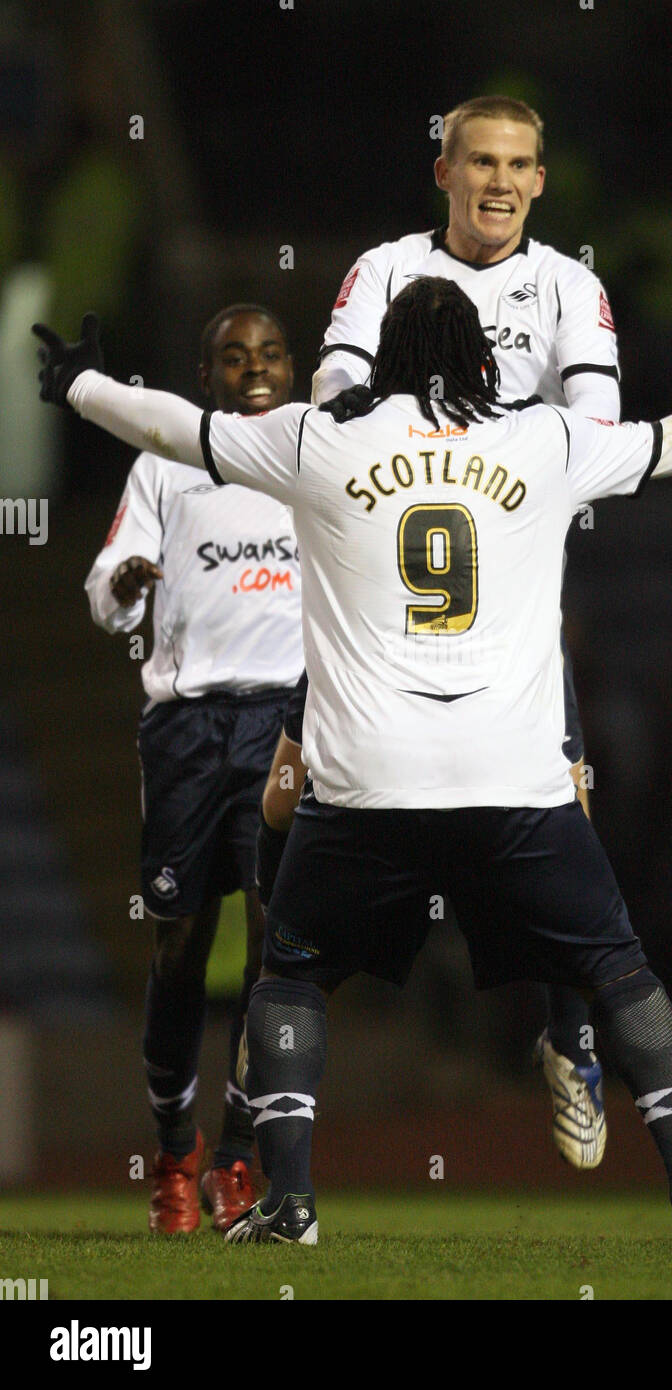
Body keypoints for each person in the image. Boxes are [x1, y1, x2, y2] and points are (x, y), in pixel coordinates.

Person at [34, 279, 672, 1247]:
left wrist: (80, 385)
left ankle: (286, 1203)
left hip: (367, 777)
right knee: (618, 968)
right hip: (512, 778)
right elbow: (670, 442)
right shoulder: (543, 440)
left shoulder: (316, 440)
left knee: (288, 975)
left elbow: (176, 429)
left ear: (381, 359)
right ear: (486, 360)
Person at [262, 94, 623, 1171]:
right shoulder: (380, 272)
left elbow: (595, 436)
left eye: (518, 164)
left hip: (500, 589)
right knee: (287, 786)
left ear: (540, 180)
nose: (499, 182)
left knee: (566, 800)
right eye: (479, 161)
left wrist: (472, 450)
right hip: (380, 580)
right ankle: (273, 1024)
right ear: (444, 171)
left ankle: (570, 1040)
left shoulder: (569, 286)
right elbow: (332, 397)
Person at [83, 305, 304, 1233]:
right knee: (178, 945)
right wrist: (125, 585)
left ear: (292, 370)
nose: (254, 369)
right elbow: (105, 587)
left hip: (286, 726)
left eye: (269, 355)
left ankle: (239, 1160)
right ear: (203, 375)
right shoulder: (165, 465)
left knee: (270, 948)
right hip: (184, 730)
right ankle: (175, 1155)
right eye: (232, 357)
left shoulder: (314, 458)